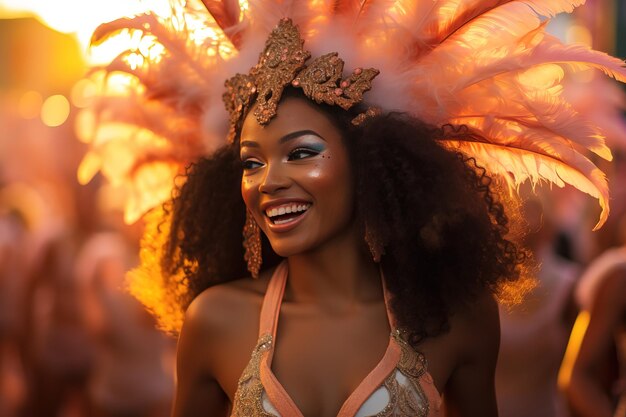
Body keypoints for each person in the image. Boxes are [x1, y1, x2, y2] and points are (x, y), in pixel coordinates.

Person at [83, 1, 626, 416]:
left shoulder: (457, 318)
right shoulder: (216, 321)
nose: (269, 182)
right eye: (251, 163)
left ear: (370, 164)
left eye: (301, 153)